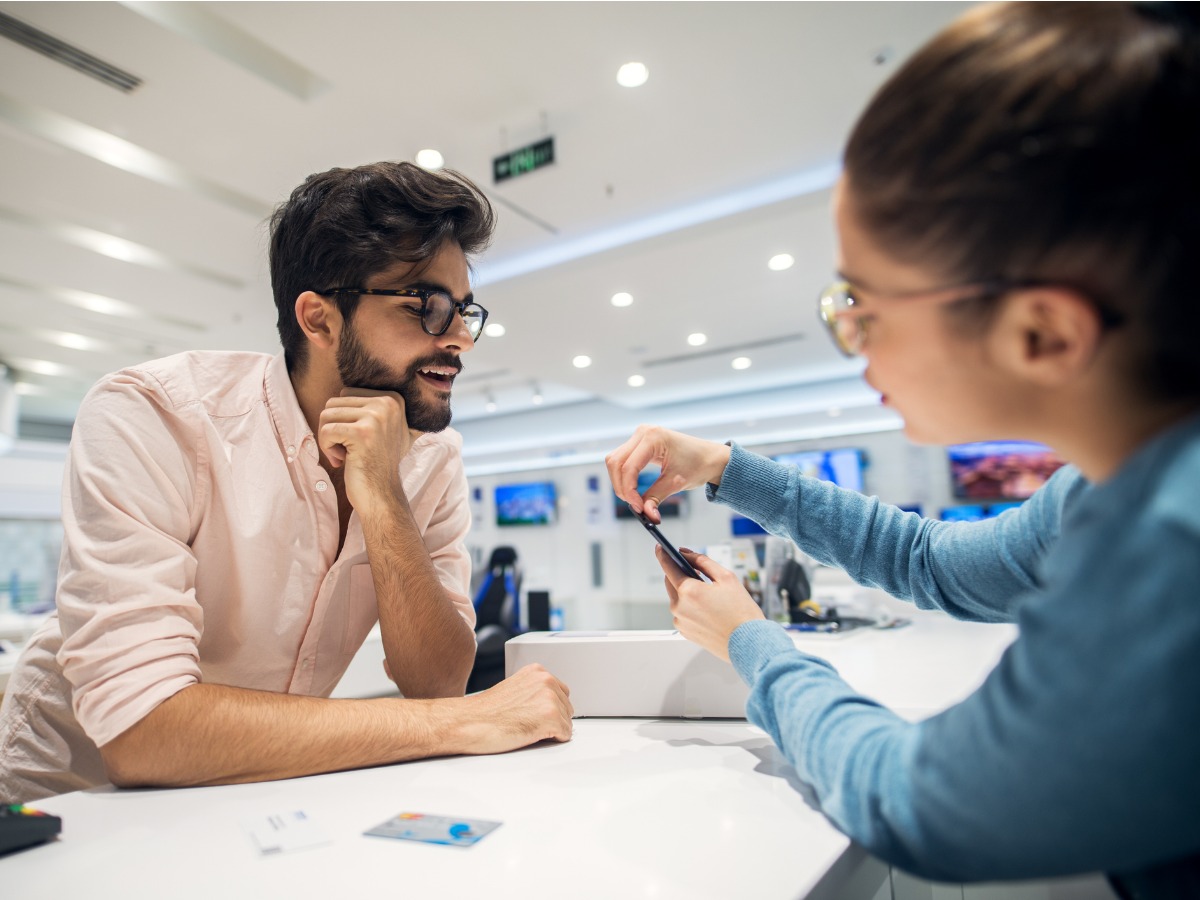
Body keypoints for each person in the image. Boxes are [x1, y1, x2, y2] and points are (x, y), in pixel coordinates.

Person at [608, 3, 1199, 895]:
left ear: (1040, 332)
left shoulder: (1171, 549)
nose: (852, 337)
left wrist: (755, 647)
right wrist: (725, 467)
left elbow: (918, 800)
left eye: (865, 307)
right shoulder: (1106, 491)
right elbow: (931, 561)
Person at [0, 161, 572, 803]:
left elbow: (437, 679)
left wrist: (382, 495)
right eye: (427, 306)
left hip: (252, 789)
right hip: (71, 799)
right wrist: (462, 721)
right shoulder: (156, 415)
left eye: (465, 310)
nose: (462, 337)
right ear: (319, 319)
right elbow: (143, 729)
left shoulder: (431, 458)